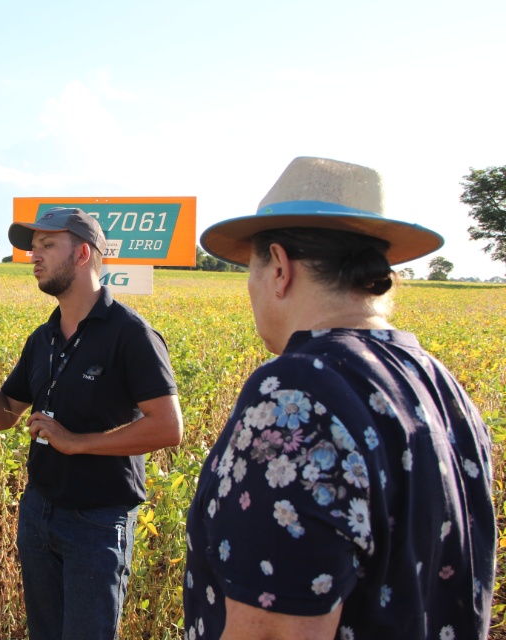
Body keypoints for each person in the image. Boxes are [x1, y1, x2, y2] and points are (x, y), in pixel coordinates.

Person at [184, 157, 495, 639]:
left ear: (280, 269)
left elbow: (273, 633)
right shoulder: (442, 386)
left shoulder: (292, 401)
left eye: (253, 268)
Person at [0, 207, 184, 640]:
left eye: (48, 246)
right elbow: (4, 416)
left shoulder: (131, 334)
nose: (35, 256)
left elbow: (168, 428)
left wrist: (77, 442)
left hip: (97, 522)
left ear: (83, 254)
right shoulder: (43, 338)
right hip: (38, 512)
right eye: (33, 248)